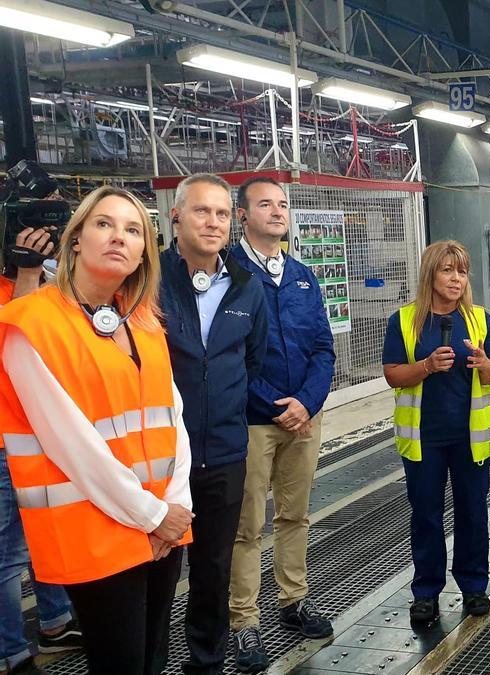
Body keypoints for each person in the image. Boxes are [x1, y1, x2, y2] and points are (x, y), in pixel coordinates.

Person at [0, 186, 194, 673]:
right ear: (76, 240)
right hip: (96, 531)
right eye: (104, 224)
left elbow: (173, 416)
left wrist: (178, 506)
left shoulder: (145, 320)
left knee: (152, 658)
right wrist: (152, 515)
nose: (119, 238)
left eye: (133, 231)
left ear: (143, 254)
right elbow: (71, 444)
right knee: (120, 663)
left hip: (162, 524)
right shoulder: (31, 324)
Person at [158, 174, 267, 675]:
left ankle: (206, 663)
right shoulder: (149, 281)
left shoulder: (247, 287)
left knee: (213, 568)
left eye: (222, 214)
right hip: (160, 457)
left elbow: (251, 358)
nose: (213, 222)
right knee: (155, 572)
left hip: (224, 451)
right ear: (175, 215)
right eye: (202, 211)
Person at [228, 177, 336, 672]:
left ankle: (293, 599)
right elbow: (228, 358)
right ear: (242, 216)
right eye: (265, 204)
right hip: (253, 421)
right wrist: (276, 405)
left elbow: (322, 348)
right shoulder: (229, 276)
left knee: (295, 515)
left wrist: (308, 404)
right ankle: (244, 622)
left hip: (303, 420)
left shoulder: (302, 276)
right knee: (246, 526)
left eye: (283, 204)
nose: (277, 212)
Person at [382, 241, 490, 624]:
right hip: (423, 438)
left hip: (470, 438)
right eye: (448, 270)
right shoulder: (405, 320)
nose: (456, 278)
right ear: (431, 274)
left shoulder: (480, 319)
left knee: (473, 512)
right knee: (426, 516)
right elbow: (393, 374)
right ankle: (426, 592)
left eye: (462, 271)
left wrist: (484, 363)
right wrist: (427, 366)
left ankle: (474, 586)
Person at [0, 228, 84, 674]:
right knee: (7, 553)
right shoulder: (22, 285)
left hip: (40, 435)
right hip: (4, 440)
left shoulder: (34, 282)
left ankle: (55, 622)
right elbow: (16, 347)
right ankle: (9, 652)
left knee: (45, 537)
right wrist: (28, 274)